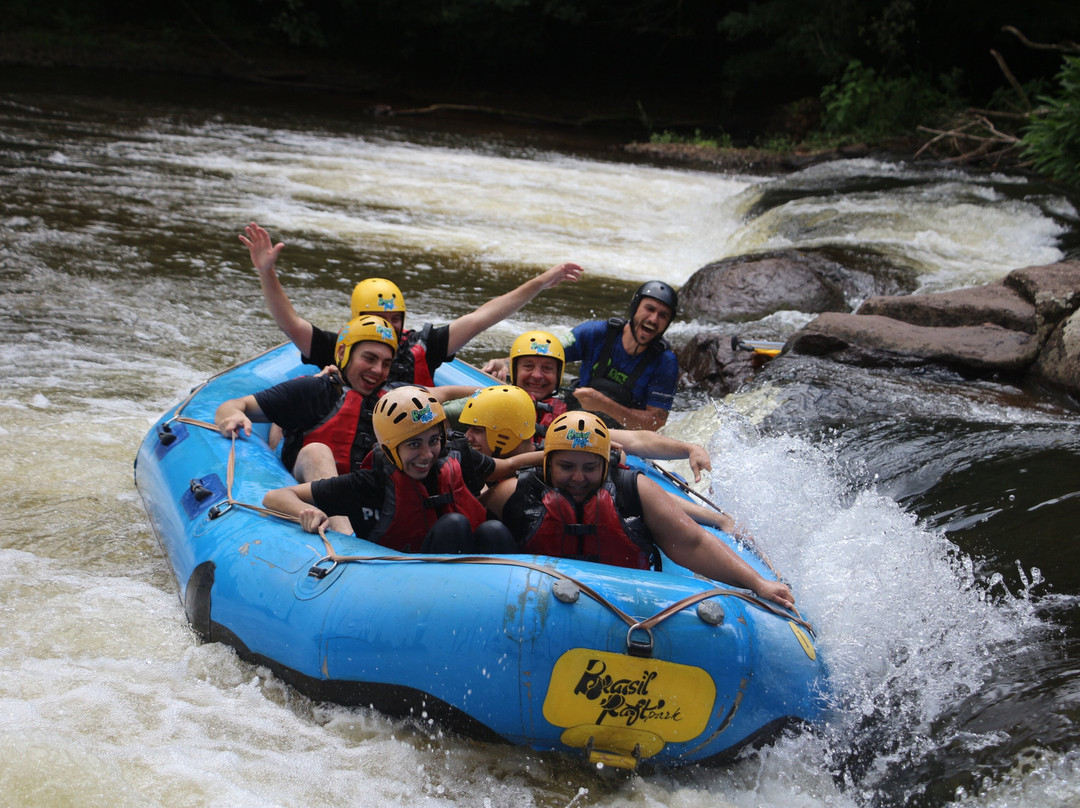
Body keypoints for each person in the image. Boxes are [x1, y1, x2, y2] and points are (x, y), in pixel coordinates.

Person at [484, 411, 794, 609]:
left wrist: (758, 584)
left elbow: (692, 543)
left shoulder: (633, 490)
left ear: (606, 466)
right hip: (537, 603)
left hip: (628, 606)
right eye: (566, 467)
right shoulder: (516, 492)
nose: (578, 478)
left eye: (590, 468)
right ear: (547, 463)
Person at [239, 221, 582, 384]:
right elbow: (289, 323)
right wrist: (267, 272)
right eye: (375, 317)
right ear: (356, 318)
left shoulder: (425, 345)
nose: (387, 326)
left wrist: (540, 282)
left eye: (394, 318)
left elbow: (485, 316)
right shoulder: (335, 348)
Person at [263, 386, 541, 554]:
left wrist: (555, 454)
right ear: (388, 449)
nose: (426, 454)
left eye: (433, 441)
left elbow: (507, 465)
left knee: (493, 531)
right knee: (454, 525)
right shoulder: (370, 484)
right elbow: (274, 497)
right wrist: (310, 513)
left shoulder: (455, 456)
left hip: (465, 580)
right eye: (413, 445)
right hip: (403, 584)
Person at [458, 383, 747, 536]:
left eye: (476, 430)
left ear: (504, 431)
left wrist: (688, 448)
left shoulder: (565, 442)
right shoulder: (485, 471)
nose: (468, 438)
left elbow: (637, 442)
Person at [562, 280, 680, 431]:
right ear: (635, 307)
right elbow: (546, 353)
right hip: (574, 417)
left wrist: (605, 405)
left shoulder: (665, 363)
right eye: (649, 309)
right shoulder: (594, 333)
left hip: (621, 437)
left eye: (663, 315)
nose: (653, 319)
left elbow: (655, 423)